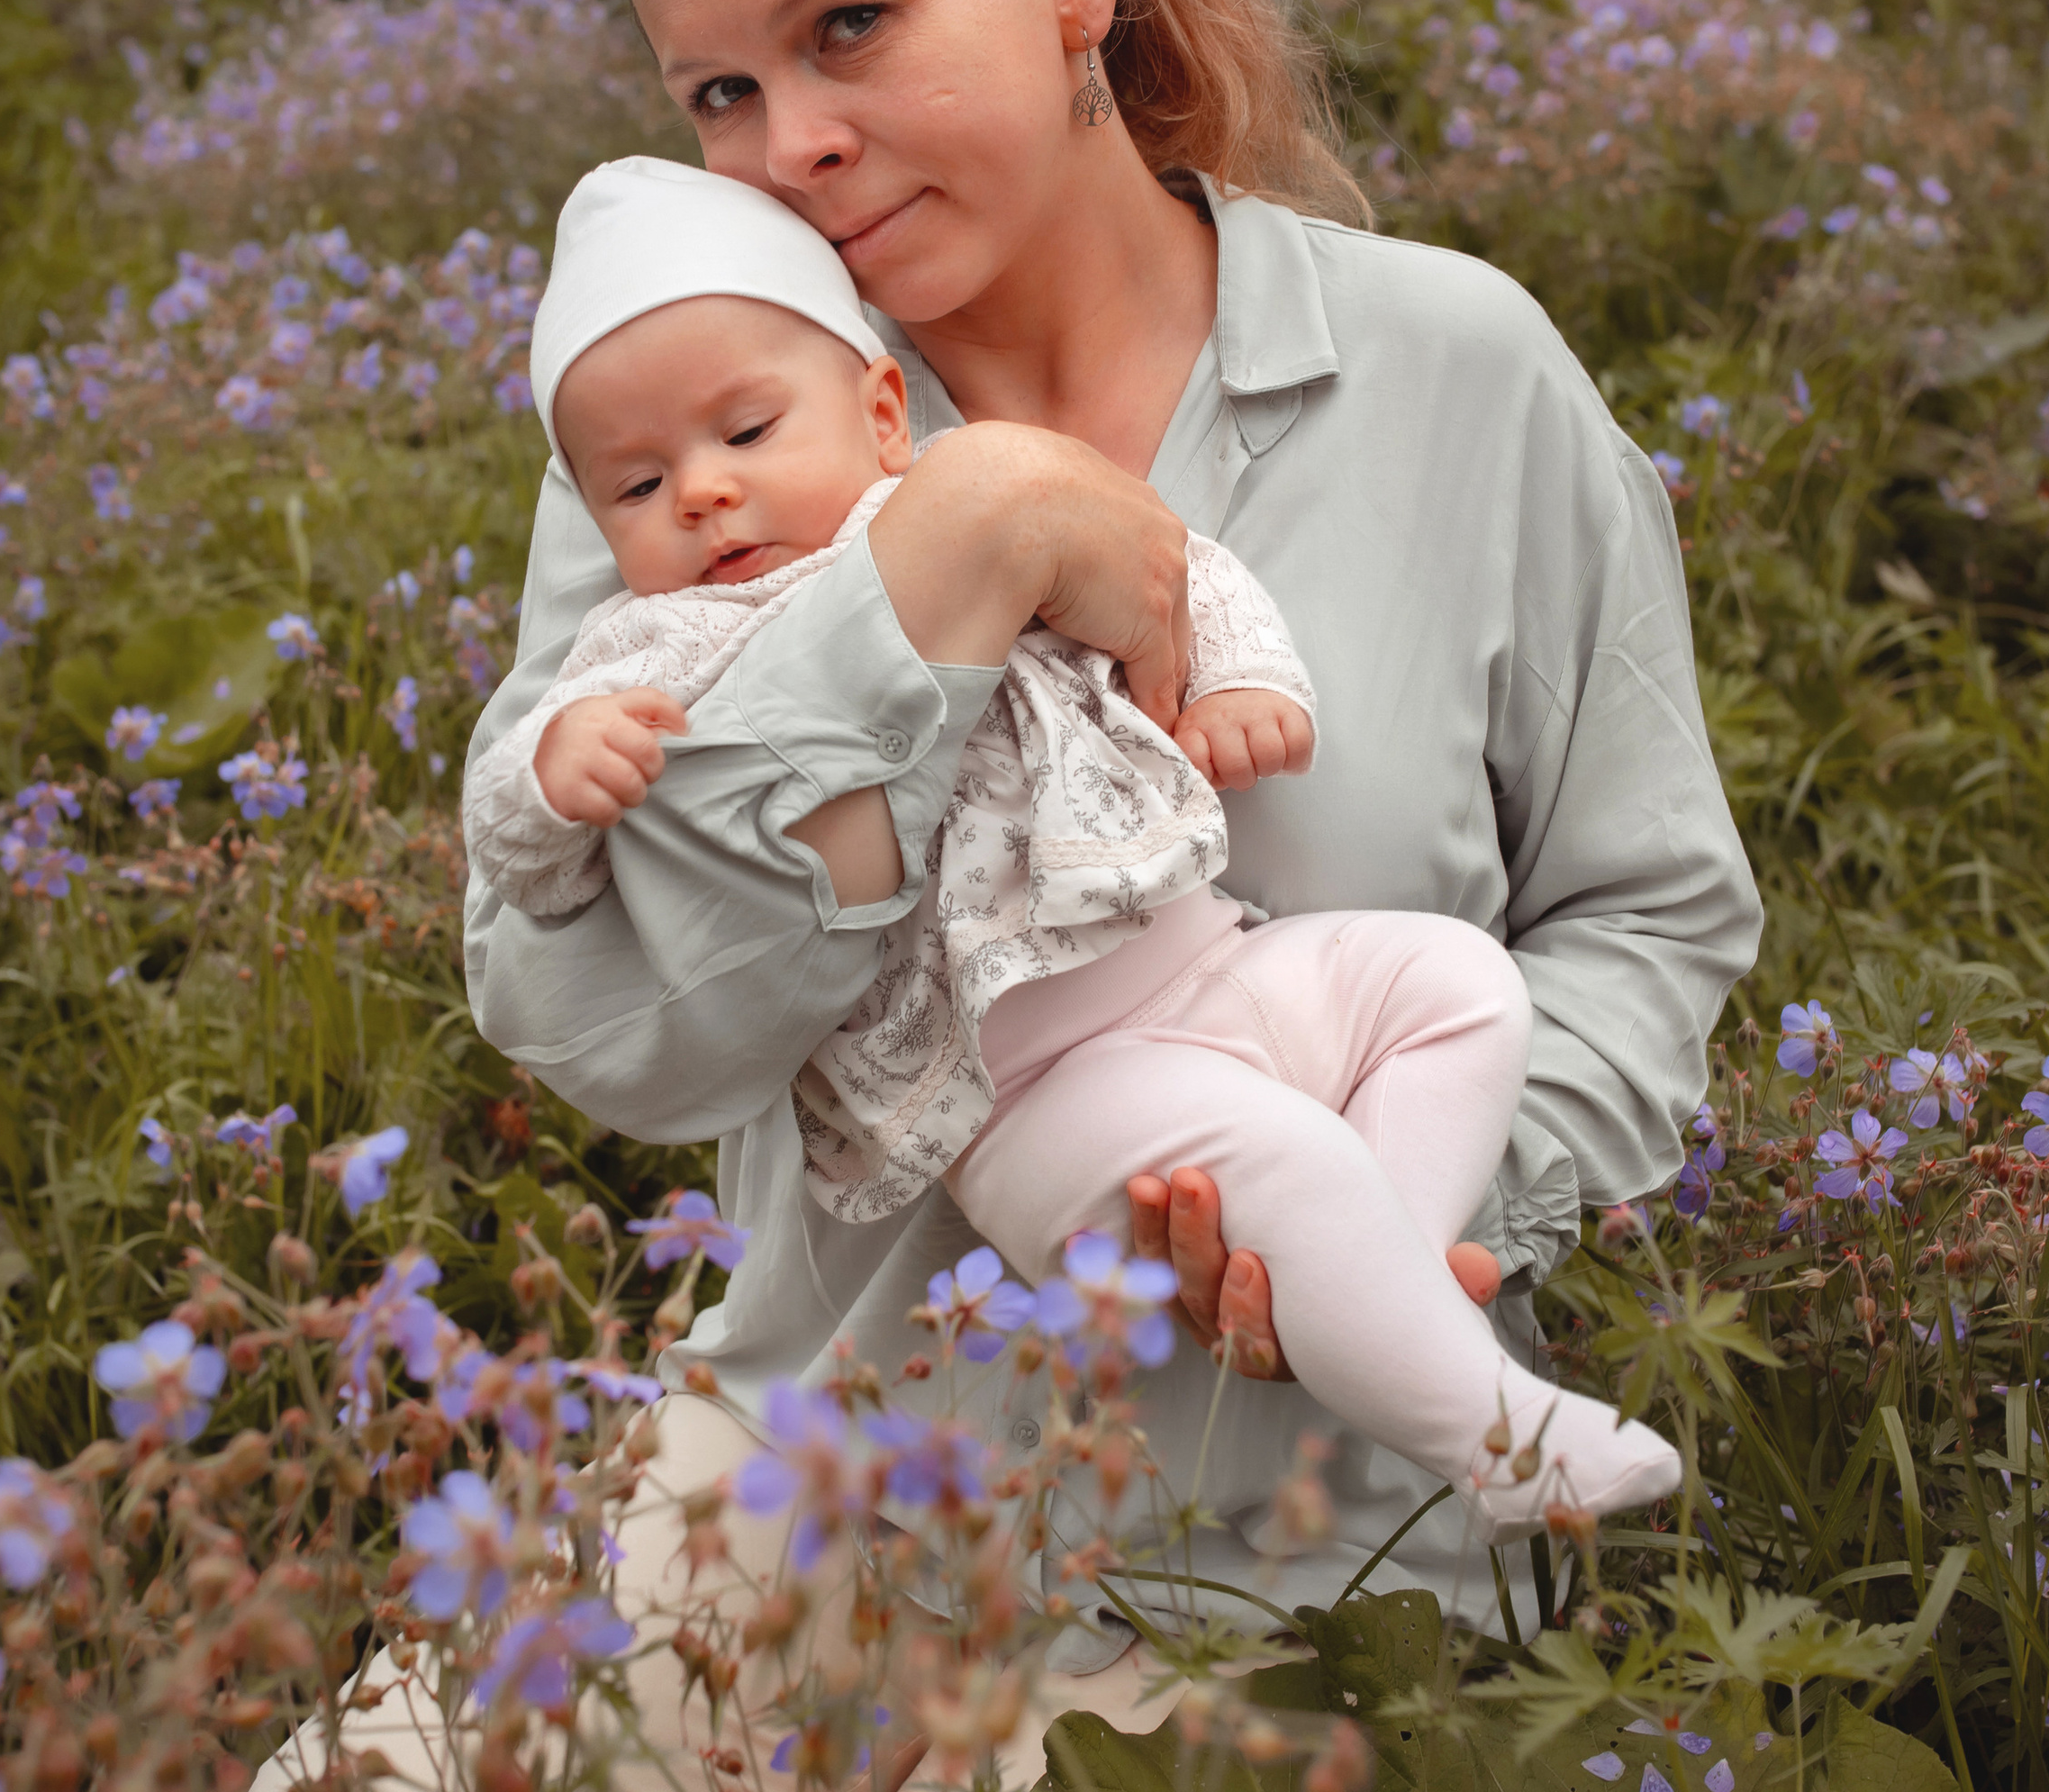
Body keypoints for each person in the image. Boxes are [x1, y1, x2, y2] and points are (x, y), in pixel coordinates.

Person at [459, 0, 1761, 1792]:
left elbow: (1643, 912)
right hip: (812, 1533)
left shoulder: (1455, 367)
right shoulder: (708, 455)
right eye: (714, 94)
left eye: (845, 29)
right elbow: (598, 1029)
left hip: (1319, 1586)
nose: (792, 150)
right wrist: (932, 581)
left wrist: (1406, 1216)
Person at [463, 156, 1685, 1541]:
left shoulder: (1439, 371)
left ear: (877, 417)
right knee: (1275, 1157)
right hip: (1029, 1088)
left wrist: (1237, 683)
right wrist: (559, 781)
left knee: (1458, 987)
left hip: (1212, 969)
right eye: (635, 484)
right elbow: (529, 884)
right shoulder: (661, 630)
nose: (697, 495)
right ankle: (1498, 1440)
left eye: (744, 434)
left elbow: (1189, 576)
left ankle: (1387, 1303)